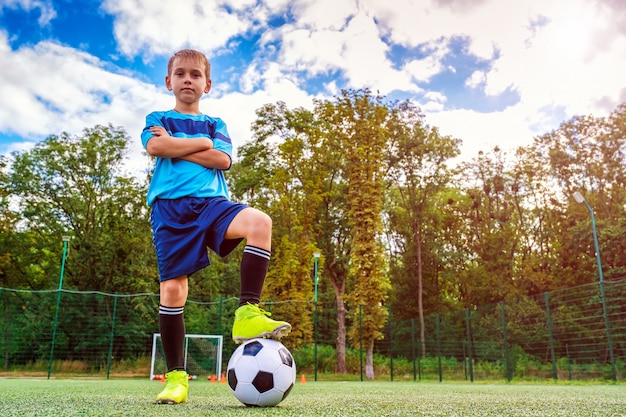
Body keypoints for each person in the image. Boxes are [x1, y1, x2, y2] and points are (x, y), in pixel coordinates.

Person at [141, 49, 291, 405]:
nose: (187, 79)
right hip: (170, 211)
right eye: (180, 74)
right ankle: (177, 378)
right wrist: (196, 146)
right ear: (169, 82)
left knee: (259, 222)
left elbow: (221, 158)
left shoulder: (215, 125)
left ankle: (246, 313)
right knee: (173, 292)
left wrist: (178, 146)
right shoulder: (157, 116)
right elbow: (154, 146)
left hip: (211, 204)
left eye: (195, 74)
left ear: (207, 84)